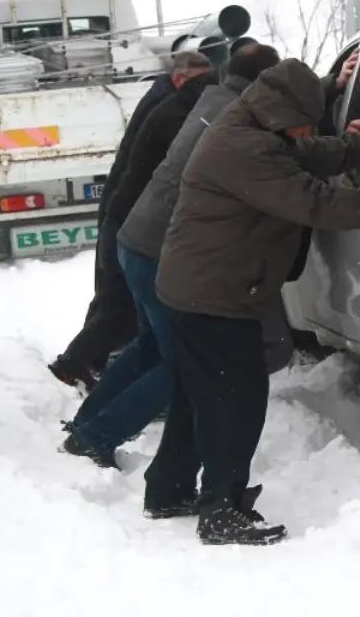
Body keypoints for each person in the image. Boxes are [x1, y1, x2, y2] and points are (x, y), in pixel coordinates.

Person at [149, 58, 360, 546]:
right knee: (233, 402)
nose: (307, 130)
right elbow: (314, 200)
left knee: (199, 397)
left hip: (197, 288)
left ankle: (167, 489)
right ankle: (220, 508)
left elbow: (303, 152)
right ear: (283, 111)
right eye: (305, 119)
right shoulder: (245, 147)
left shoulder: (251, 124)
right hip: (213, 296)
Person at [58, 44, 280, 483]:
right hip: (159, 248)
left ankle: (87, 423)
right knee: (181, 362)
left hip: (137, 238)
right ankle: (98, 436)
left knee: (151, 346)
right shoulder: (231, 119)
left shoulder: (211, 99)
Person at [47, 51, 213, 391]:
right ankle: (72, 364)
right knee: (120, 303)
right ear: (181, 79)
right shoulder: (170, 108)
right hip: (131, 215)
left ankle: (83, 363)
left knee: (114, 297)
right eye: (200, 83)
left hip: (124, 210)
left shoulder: (162, 97)